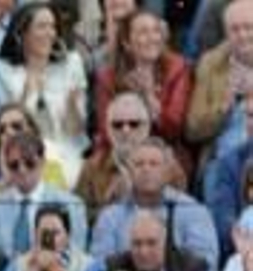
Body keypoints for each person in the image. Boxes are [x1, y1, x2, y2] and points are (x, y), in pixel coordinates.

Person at [89, 137, 218, 268]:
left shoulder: (193, 211)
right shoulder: (110, 216)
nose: (146, 169)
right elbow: (100, 267)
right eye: (139, 164)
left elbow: (205, 266)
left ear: (167, 171)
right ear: (129, 171)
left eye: (154, 164)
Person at [0, 2, 88, 182]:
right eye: (41, 27)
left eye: (52, 26)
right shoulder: (3, 70)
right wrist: (27, 91)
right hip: (22, 151)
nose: (50, 33)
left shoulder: (72, 64)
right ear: (21, 34)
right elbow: (8, 127)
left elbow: (75, 131)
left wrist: (71, 104)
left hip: (66, 148)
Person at [0, 130, 87, 262]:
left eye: (29, 163)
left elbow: (76, 257)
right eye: (14, 165)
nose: (22, 170)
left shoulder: (71, 205)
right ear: (6, 167)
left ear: (43, 161)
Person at [91, 9, 191, 155]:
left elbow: (173, 130)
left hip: (164, 151)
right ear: (127, 43)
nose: (152, 38)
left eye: (156, 31)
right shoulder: (107, 77)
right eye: (143, 32)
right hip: (120, 152)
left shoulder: (177, 68)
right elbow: (106, 132)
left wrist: (149, 96)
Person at [74, 90, 189, 214]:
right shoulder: (92, 167)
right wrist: (110, 204)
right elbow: (82, 217)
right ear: (107, 128)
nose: (126, 130)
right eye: (118, 125)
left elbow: (178, 214)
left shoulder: (168, 165)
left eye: (134, 124)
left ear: (147, 127)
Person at [185, 0, 253, 166]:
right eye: (235, 29)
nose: (242, 35)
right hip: (223, 158)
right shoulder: (210, 64)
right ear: (226, 33)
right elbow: (192, 130)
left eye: (248, 27)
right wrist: (224, 107)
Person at [0, 203, 102, 271]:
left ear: (67, 235)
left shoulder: (88, 265)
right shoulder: (18, 263)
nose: (50, 238)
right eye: (44, 232)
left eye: (56, 232)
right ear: (36, 235)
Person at [96, 209, 210, 271]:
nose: (143, 252)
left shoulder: (192, 265)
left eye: (151, 243)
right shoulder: (116, 265)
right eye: (137, 244)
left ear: (167, 244)